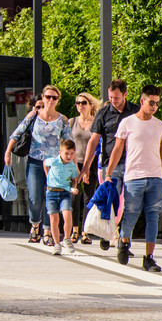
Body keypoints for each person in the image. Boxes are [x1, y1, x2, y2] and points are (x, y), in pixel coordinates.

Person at [105, 84, 162, 272]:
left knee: (153, 217)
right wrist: (109, 173)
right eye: (151, 102)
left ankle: (149, 258)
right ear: (142, 101)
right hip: (133, 177)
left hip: (156, 178)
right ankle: (124, 242)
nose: (154, 106)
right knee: (131, 214)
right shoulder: (127, 123)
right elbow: (117, 149)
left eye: (157, 103)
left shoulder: (160, 125)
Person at [4, 85, 72, 244]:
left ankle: (47, 232)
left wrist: (71, 165)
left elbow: (69, 143)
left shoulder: (62, 120)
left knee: (51, 197)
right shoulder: (34, 115)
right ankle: (35, 225)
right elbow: (16, 134)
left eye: (54, 97)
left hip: (55, 165)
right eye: (48, 97)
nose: (50, 100)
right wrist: (7, 153)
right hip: (35, 162)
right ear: (43, 97)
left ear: (58, 100)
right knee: (35, 198)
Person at [84, 79, 139, 251]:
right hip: (111, 164)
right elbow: (93, 141)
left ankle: (123, 239)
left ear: (125, 94)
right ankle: (108, 232)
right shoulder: (104, 113)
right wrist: (86, 166)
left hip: (133, 163)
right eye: (111, 97)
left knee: (130, 203)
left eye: (116, 98)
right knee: (112, 200)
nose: (113, 101)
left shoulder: (136, 112)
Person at [70, 93, 101, 244]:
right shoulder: (72, 122)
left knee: (89, 197)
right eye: (78, 103)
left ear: (90, 105)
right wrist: (75, 165)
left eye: (83, 102)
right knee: (74, 197)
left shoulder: (96, 122)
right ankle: (75, 230)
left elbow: (97, 144)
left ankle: (85, 231)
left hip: (92, 163)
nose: (80, 105)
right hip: (75, 163)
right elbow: (66, 144)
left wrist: (88, 166)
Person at [44, 139, 81, 255]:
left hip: (65, 193)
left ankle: (67, 238)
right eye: (66, 153)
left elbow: (75, 179)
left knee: (67, 214)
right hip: (51, 193)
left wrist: (74, 187)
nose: (69, 156)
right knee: (54, 219)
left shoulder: (72, 166)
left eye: (71, 154)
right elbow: (45, 163)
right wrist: (48, 177)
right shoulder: (54, 161)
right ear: (60, 152)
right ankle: (56, 243)